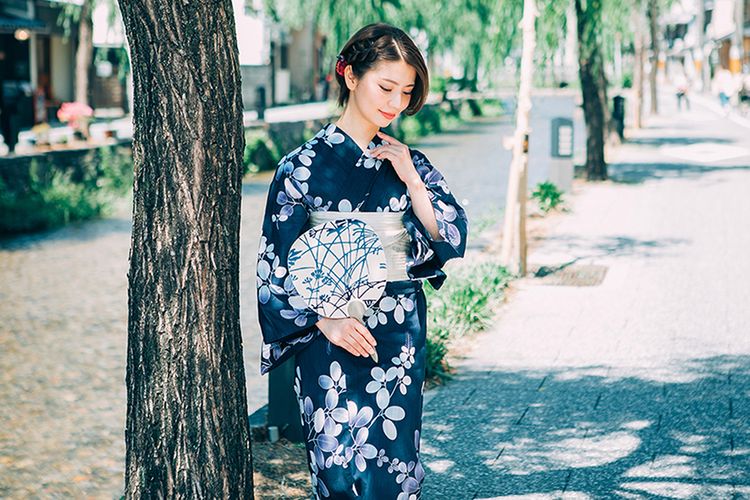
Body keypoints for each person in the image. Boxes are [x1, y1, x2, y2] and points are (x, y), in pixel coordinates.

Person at [256, 23, 468, 498]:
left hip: (396, 335)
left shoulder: (409, 162)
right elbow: (275, 263)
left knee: (394, 466)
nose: (394, 103)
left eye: (406, 92)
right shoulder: (300, 167)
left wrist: (413, 180)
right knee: (336, 469)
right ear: (349, 75)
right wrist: (326, 318)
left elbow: (448, 237)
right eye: (385, 87)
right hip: (329, 337)